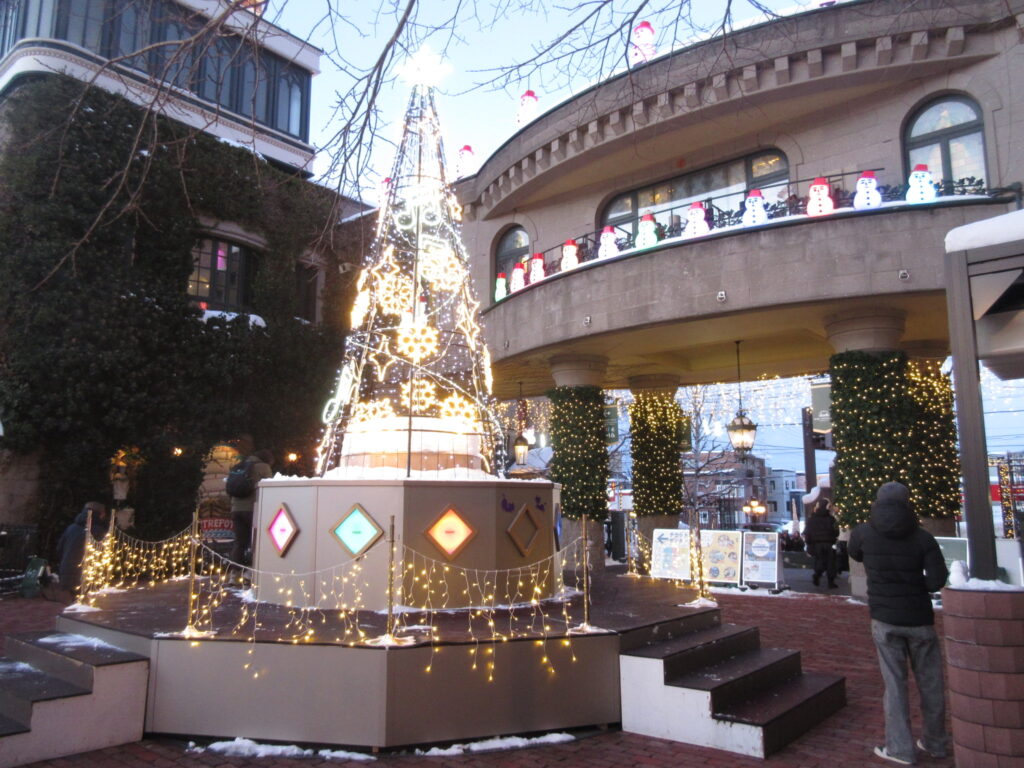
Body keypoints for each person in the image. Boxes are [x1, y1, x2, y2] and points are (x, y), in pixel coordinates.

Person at [848, 481, 949, 765]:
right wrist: (916, 586)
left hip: (885, 617)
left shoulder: (864, 533)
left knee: (894, 684)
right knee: (931, 683)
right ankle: (935, 741)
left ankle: (900, 748)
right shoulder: (922, 537)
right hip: (919, 616)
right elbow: (938, 579)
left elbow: (854, 553)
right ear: (907, 502)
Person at [229, 446, 273, 566]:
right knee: (256, 541)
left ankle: (234, 571)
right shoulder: (264, 467)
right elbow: (270, 487)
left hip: (236, 509)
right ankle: (252, 569)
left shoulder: (239, 466)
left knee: (239, 542)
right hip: (253, 509)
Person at [56, 501, 109, 600]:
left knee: (76, 601)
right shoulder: (97, 531)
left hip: (67, 572)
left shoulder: (71, 528)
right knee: (87, 602)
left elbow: (59, 549)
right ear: (101, 514)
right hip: (84, 576)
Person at [804, 498, 839, 588]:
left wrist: (809, 544)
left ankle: (817, 575)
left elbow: (808, 532)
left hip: (817, 544)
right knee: (830, 563)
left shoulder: (812, 519)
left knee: (819, 562)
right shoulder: (831, 519)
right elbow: (836, 532)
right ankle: (831, 582)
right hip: (829, 544)